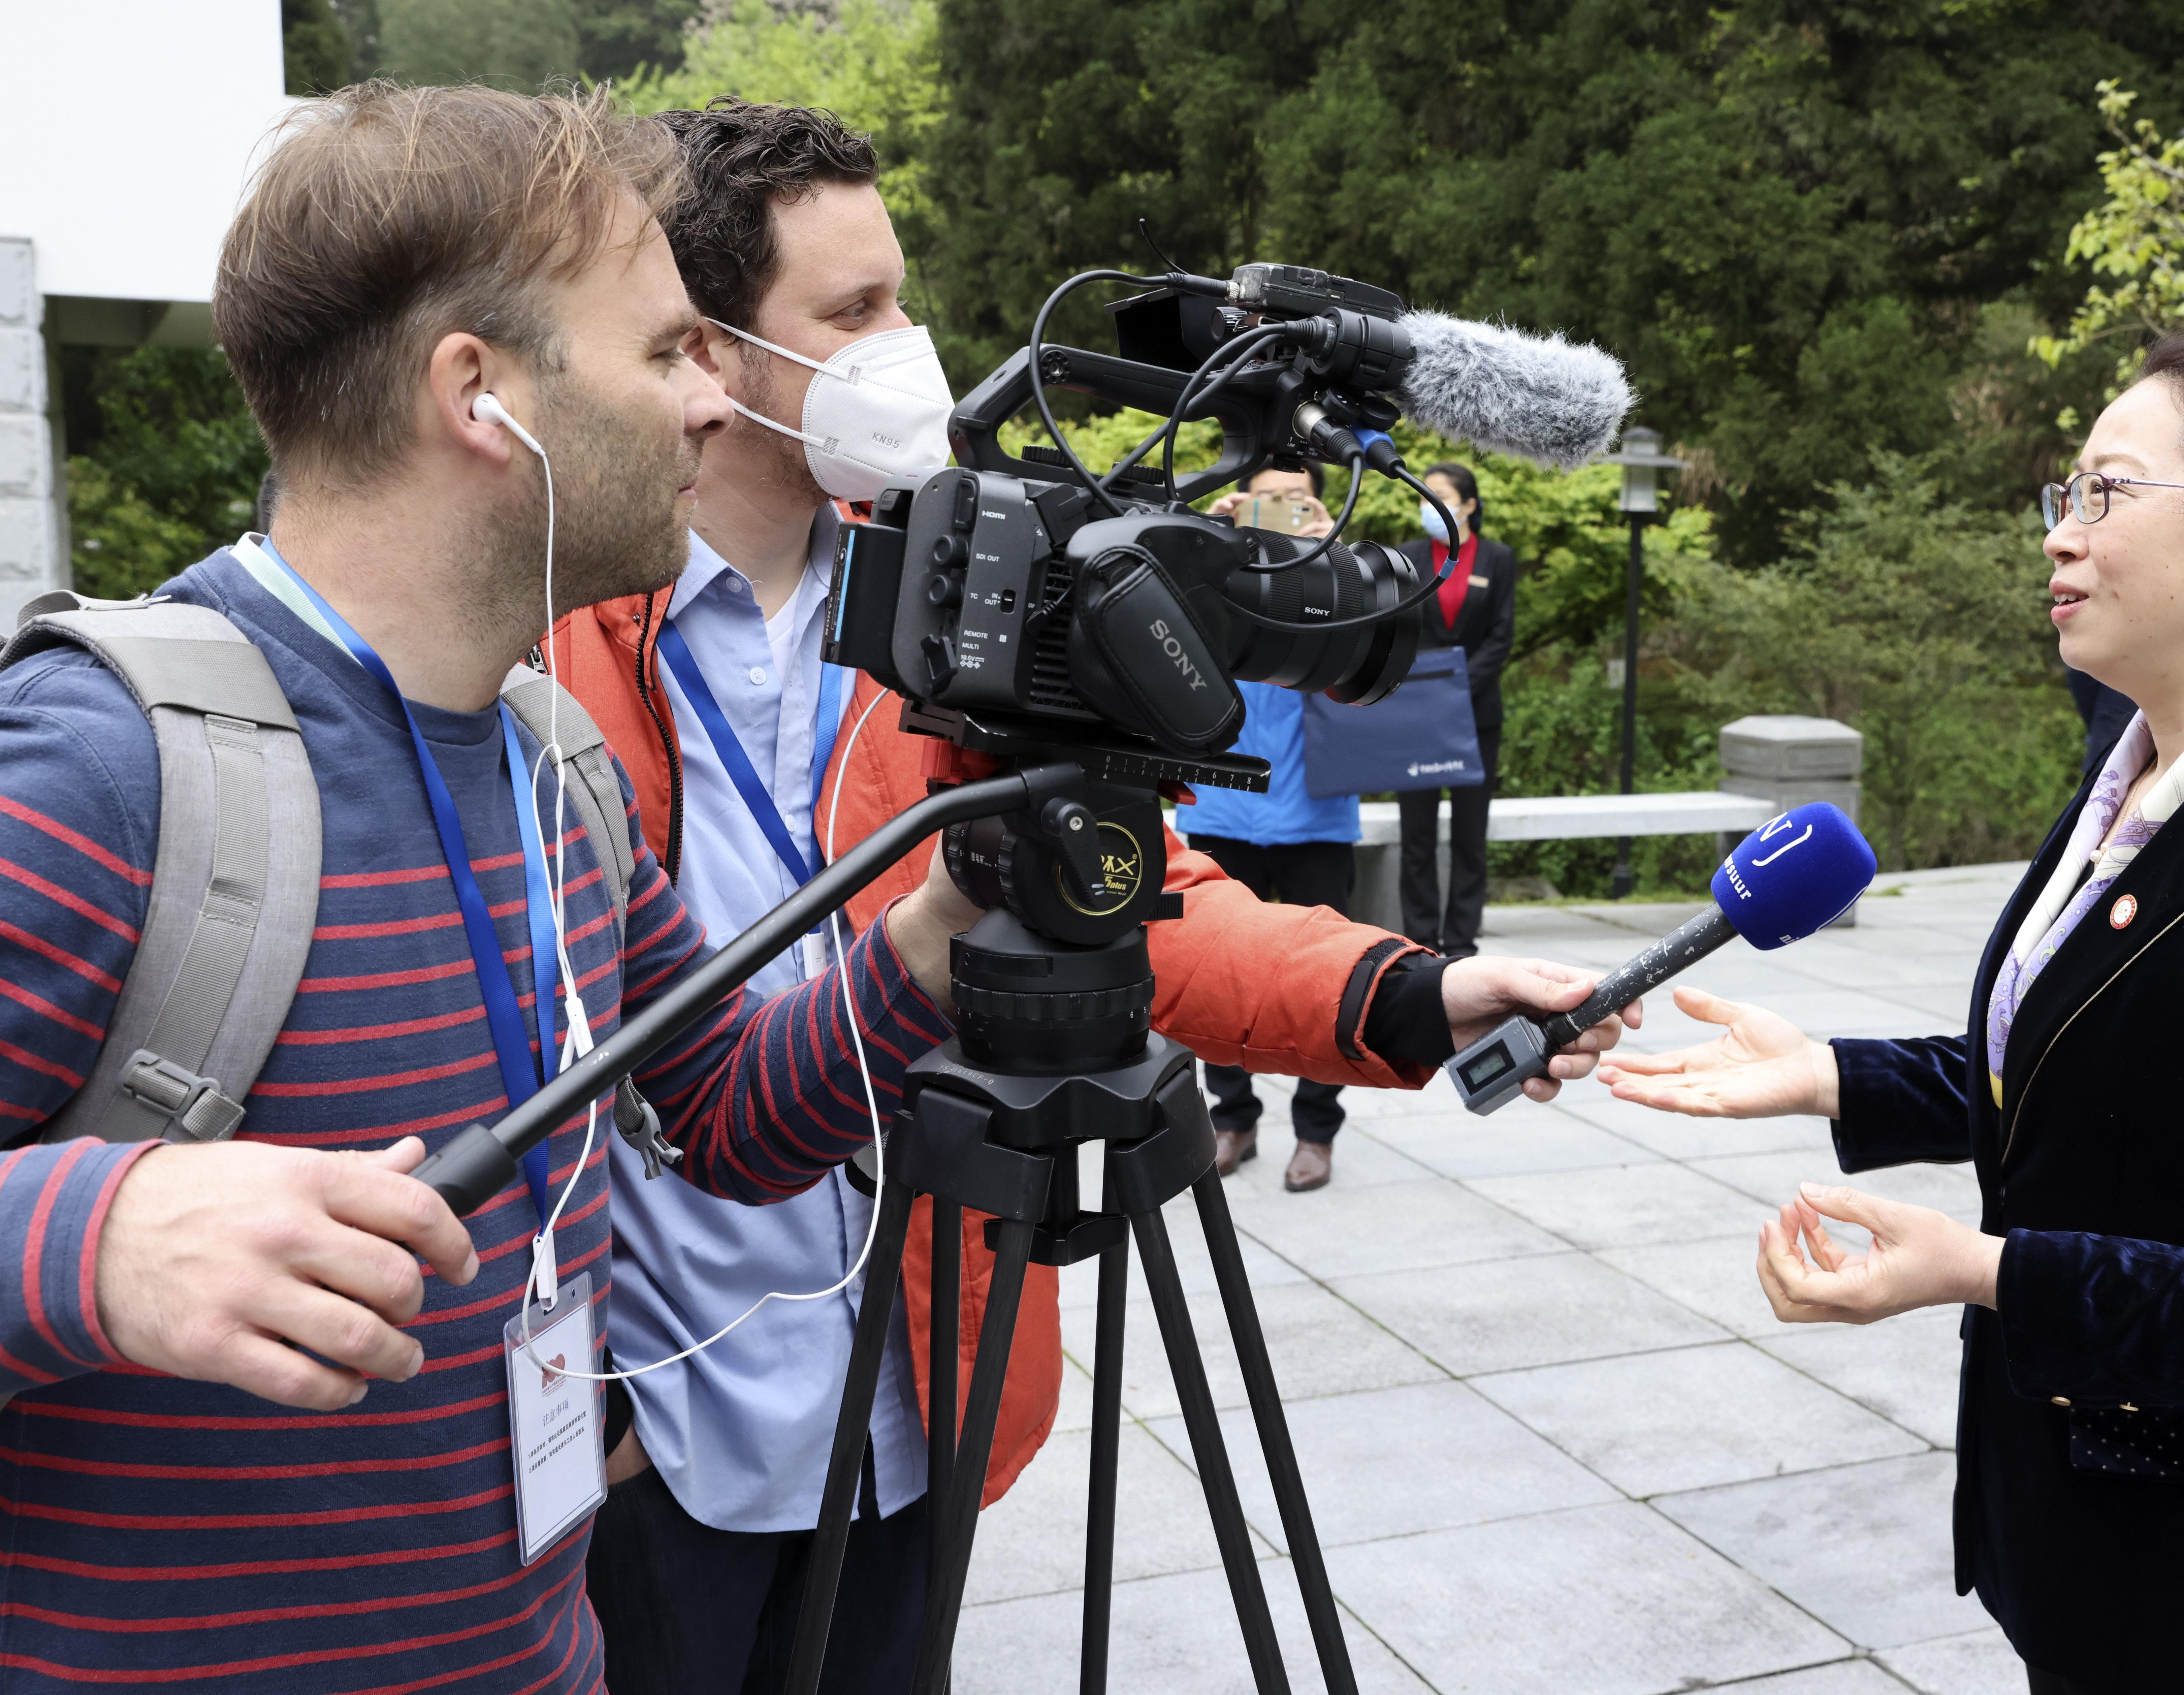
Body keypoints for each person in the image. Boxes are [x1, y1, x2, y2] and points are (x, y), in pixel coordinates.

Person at [545, 100, 1635, 1693]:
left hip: (911, 1377)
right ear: (705, 348)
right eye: (853, 315)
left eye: (901, 297)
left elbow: (1142, 891)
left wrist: (1407, 992)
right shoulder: (557, 619)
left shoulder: (969, 588)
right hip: (648, 1426)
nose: (908, 347)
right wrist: (576, 1387)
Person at [0, 81, 1009, 1692]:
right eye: (669, 349)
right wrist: (86, 1237)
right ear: (483, 394)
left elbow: (730, 1109)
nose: (708, 403)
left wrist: (946, 917)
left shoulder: (549, 765)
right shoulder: (109, 766)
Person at [1598, 327, 2184, 1695]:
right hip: (2092, 1533)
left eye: (2107, 494)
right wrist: (1834, 1077)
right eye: (2062, 495)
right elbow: (2108, 1066)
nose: (2060, 535)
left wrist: (1987, 1270)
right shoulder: (2138, 767)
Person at [1188, 465, 1361, 1193]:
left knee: (1330, 977)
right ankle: (1232, 1116)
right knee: (1213, 975)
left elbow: (1368, 665)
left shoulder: (1341, 569)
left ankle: (1317, 1128)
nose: (1278, 512)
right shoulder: (1213, 562)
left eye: (1293, 500)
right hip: (1223, 803)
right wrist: (1207, 536)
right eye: (1265, 497)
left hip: (1316, 807)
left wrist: (1335, 556)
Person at [1395, 461, 1515, 957]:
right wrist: (1427, 692)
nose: (1429, 503)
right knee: (1417, 835)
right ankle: (1421, 939)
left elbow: (1501, 635)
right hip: (1417, 716)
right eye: (1425, 495)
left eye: (1440, 495)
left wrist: (1458, 688)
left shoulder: (1497, 558)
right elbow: (1397, 630)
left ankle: (1462, 942)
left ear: (1468, 505)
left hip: (1474, 715)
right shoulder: (1406, 556)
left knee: (1470, 834)